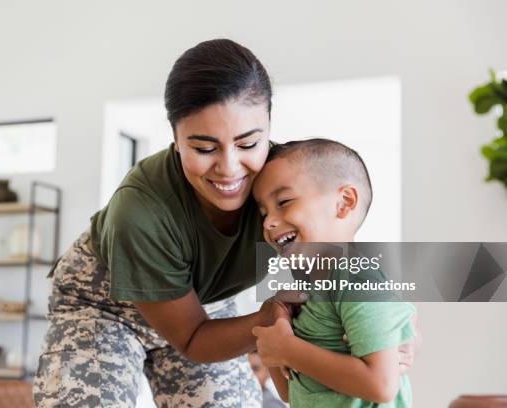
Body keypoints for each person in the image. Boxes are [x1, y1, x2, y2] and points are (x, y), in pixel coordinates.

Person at [33, 39, 418, 407]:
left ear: (268, 126)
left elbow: (348, 261)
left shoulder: (283, 186)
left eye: (249, 144)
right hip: (105, 306)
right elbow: (192, 336)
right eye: (204, 148)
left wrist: (391, 328)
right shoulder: (140, 212)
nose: (230, 168)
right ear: (176, 139)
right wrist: (270, 323)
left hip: (209, 305)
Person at [252, 139, 416, 407]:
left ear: (344, 203)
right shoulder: (301, 293)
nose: (269, 221)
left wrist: (287, 349)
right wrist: (275, 322)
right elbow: (291, 393)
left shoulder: (358, 279)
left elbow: (381, 385)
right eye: (263, 213)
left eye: (284, 202)